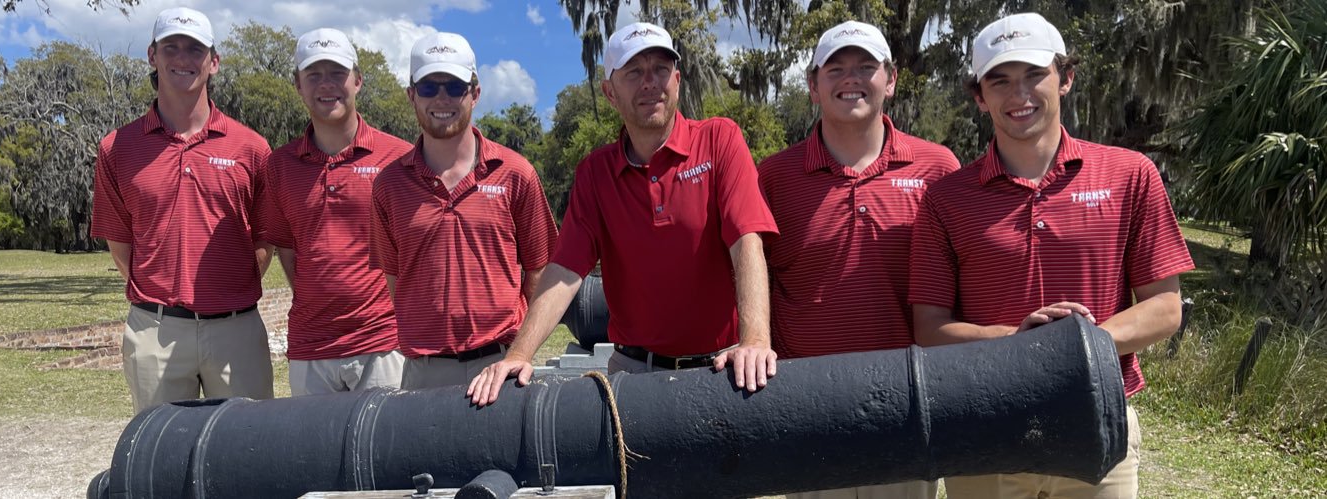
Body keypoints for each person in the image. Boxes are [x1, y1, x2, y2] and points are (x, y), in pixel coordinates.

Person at [909, 12, 1194, 499]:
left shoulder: (1130, 174)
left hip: (1097, 419)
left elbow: (1166, 308)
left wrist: (1073, 351)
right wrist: (1018, 345)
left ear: (1066, 78)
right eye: (999, 81)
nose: (1018, 95)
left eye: (1034, 75)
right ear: (979, 96)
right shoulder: (945, 199)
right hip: (984, 424)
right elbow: (929, 329)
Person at [468, 22, 778, 406]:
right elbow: (564, 272)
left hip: (721, 370)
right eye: (634, 72)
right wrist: (518, 355)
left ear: (678, 80)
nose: (650, 82)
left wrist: (755, 341)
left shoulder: (719, 141)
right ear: (610, 93)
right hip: (633, 375)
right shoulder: (594, 174)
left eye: (661, 70)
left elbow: (746, 239)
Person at [756, 21, 957, 499]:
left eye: (866, 66)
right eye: (836, 69)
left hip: (908, 407)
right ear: (813, 86)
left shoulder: (939, 168)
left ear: (890, 79)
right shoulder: (774, 177)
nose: (851, 79)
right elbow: (750, 278)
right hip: (806, 409)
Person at [90, 7, 275, 413]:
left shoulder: (251, 148)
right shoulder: (117, 148)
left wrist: (226, 294)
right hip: (154, 329)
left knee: (249, 453)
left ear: (214, 61)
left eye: (195, 48)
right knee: (160, 459)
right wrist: (164, 297)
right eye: (170, 47)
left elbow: (263, 239)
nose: (182, 58)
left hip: (236, 331)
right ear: (152, 56)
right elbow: (120, 241)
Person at [369, 32, 559, 390]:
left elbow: (539, 271)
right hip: (423, 371)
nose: (442, 98)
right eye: (428, 87)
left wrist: (520, 351)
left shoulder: (516, 173)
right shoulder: (389, 186)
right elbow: (396, 280)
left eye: (454, 86)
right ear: (411, 95)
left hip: (500, 365)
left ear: (475, 93)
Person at [258, 28, 414, 395]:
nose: (326, 85)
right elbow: (289, 251)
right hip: (311, 348)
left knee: (384, 452)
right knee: (314, 454)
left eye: (337, 73)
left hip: (384, 343)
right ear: (297, 84)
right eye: (314, 74)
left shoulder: (399, 158)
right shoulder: (279, 166)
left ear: (358, 80)